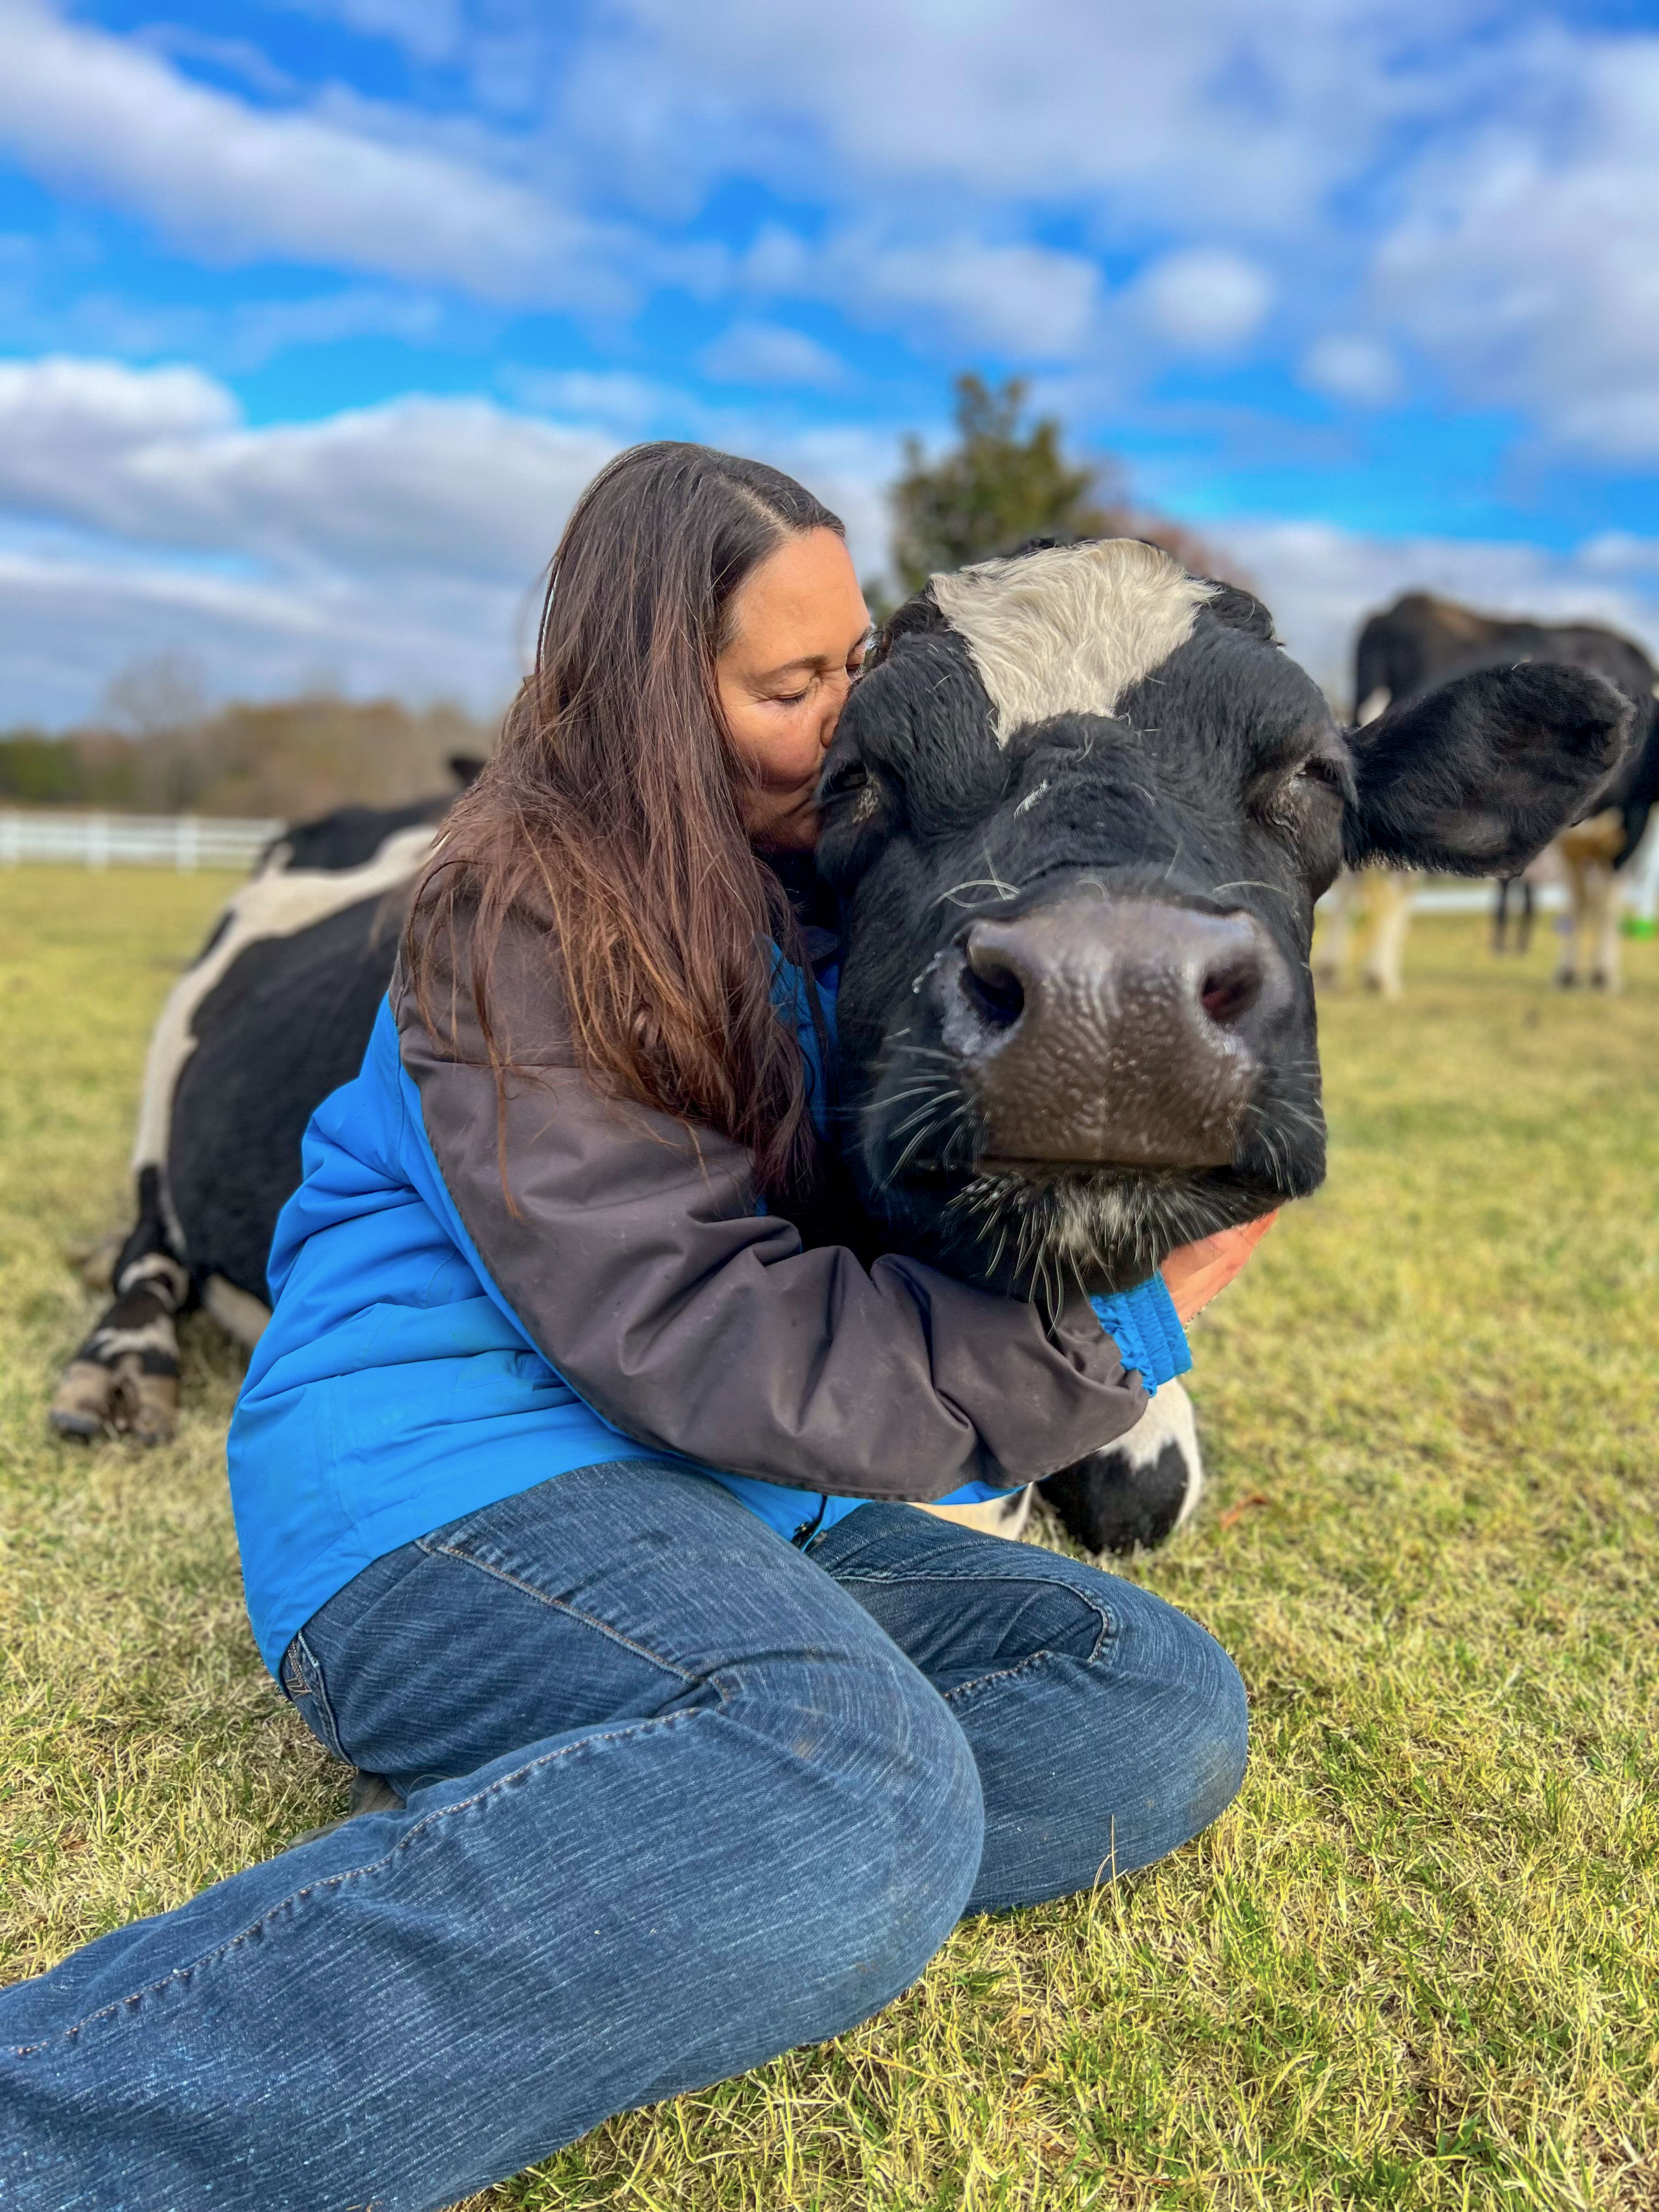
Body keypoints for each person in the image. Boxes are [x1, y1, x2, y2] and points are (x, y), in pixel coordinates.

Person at [1, 444, 1270, 2212]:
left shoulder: (831, 894)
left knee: (1154, 1700)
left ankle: (658, 1817)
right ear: (646, 689)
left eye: (859, 671)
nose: (846, 721)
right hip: (443, 1491)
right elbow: (687, 1329)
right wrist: (1097, 1334)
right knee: (868, 1796)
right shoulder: (518, 909)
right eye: (789, 684)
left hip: (725, 1502)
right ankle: (54, 2128)